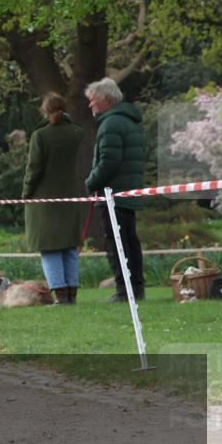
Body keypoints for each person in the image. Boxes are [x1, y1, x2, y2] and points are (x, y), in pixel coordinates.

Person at [84, 78, 147, 303]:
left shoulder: (110, 124)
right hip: (128, 192)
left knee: (117, 243)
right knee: (130, 241)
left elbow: (108, 162)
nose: (90, 106)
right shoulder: (130, 121)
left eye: (93, 101)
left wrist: (91, 182)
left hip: (114, 194)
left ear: (107, 100)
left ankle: (124, 290)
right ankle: (136, 288)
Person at [23, 92, 85, 305]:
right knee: (69, 247)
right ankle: (72, 294)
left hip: (44, 201)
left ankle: (59, 295)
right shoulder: (77, 133)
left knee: (50, 248)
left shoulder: (40, 136)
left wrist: (26, 193)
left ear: (44, 110)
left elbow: (34, 169)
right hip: (70, 198)